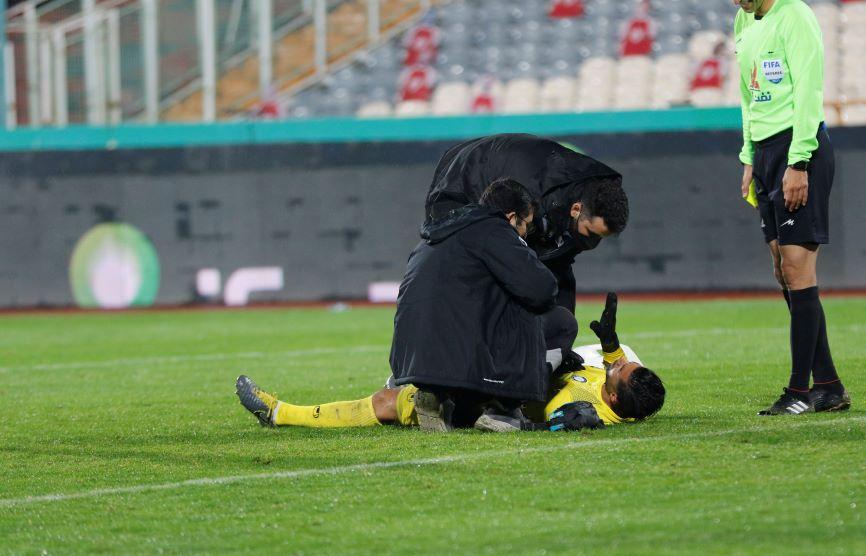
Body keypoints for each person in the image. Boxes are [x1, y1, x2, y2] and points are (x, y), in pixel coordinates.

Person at [234, 295, 666, 431]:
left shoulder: (582, 410)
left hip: (479, 398)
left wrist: (551, 374)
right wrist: (611, 346)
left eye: (619, 370)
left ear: (612, 397)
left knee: (386, 403)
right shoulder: (615, 394)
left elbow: (540, 420)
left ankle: (279, 413)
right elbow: (616, 371)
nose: (616, 364)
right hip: (493, 375)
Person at [734, 0, 850, 415]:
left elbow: (808, 91)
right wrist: (749, 155)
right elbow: (748, 95)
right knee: (782, 270)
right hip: (764, 153)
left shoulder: (795, 15)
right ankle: (829, 385)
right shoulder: (743, 18)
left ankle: (799, 391)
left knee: (798, 267)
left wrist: (798, 162)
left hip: (797, 148)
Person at [391, 177, 563, 431]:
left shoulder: (438, 232)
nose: (526, 233)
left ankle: (437, 395)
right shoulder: (495, 230)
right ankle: (503, 406)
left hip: (411, 359)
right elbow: (542, 290)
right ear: (511, 217)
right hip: (457, 354)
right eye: (526, 224)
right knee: (543, 313)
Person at [425, 133, 630, 313]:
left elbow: (557, 269)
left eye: (600, 237)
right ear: (576, 210)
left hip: (508, 173)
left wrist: (563, 328)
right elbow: (513, 262)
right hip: (463, 179)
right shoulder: (531, 196)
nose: (592, 242)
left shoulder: (580, 202)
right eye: (591, 233)